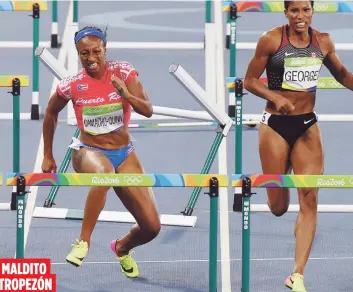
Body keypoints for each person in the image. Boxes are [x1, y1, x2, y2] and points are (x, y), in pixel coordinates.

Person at [244, 1, 353, 291]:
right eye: (295, 11)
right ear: (286, 13)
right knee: (279, 207)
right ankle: (279, 177)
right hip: (275, 128)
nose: (301, 17)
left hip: (307, 126)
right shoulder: (271, 40)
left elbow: (341, 74)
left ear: (312, 12)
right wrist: (276, 97)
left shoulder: (323, 42)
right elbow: (249, 80)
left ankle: (297, 274)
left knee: (310, 199)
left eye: (306, 10)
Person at [41, 26, 161, 278]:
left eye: (96, 51)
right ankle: (83, 242)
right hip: (88, 151)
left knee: (151, 227)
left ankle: (122, 247)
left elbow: (148, 110)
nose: (91, 58)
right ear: (78, 53)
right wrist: (48, 155)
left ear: (105, 49)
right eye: (84, 53)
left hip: (124, 153)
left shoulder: (124, 72)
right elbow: (51, 113)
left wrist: (126, 95)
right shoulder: (72, 85)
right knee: (104, 174)